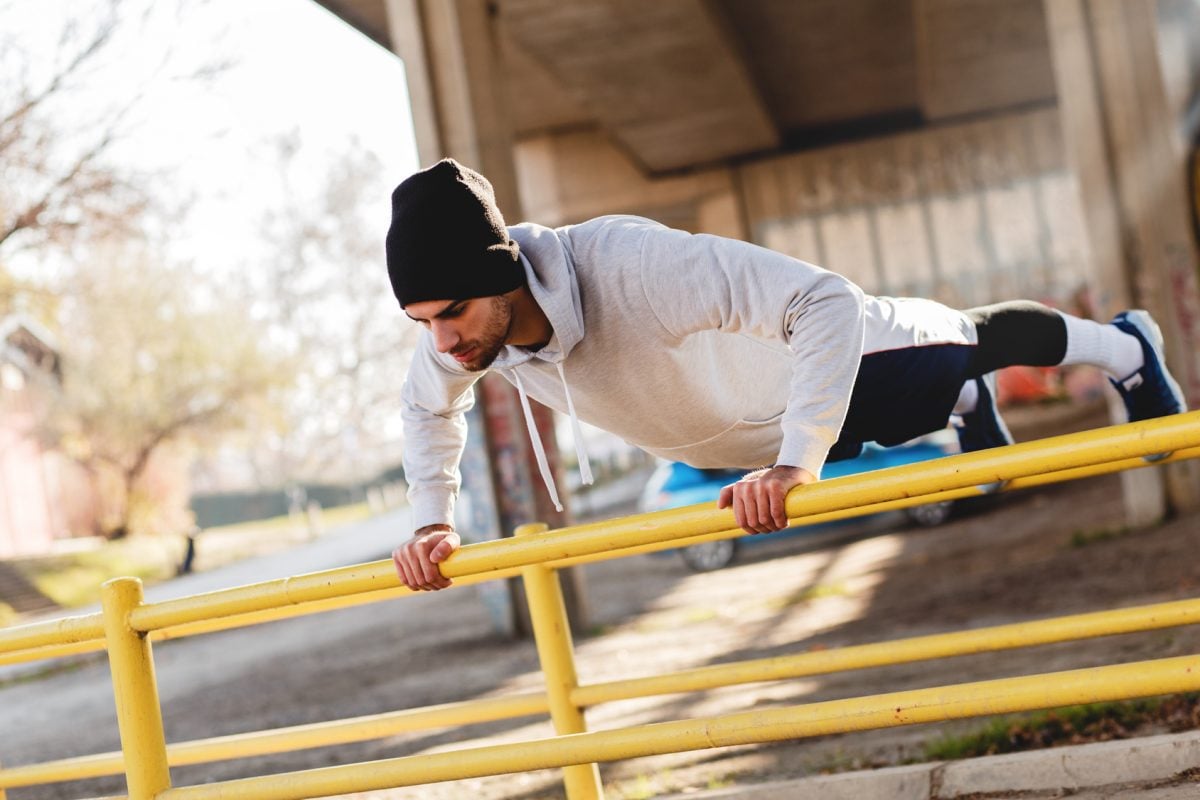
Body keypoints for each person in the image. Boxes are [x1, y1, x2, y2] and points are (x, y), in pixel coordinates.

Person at [387, 158, 1187, 592]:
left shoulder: (627, 264)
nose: (444, 340)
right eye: (422, 321)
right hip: (752, 428)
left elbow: (823, 299)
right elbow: (428, 412)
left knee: (965, 341)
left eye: (451, 311)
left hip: (845, 361)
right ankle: (965, 404)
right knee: (901, 423)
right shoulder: (460, 334)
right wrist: (431, 521)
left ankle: (1124, 347)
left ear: (502, 272)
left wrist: (796, 458)